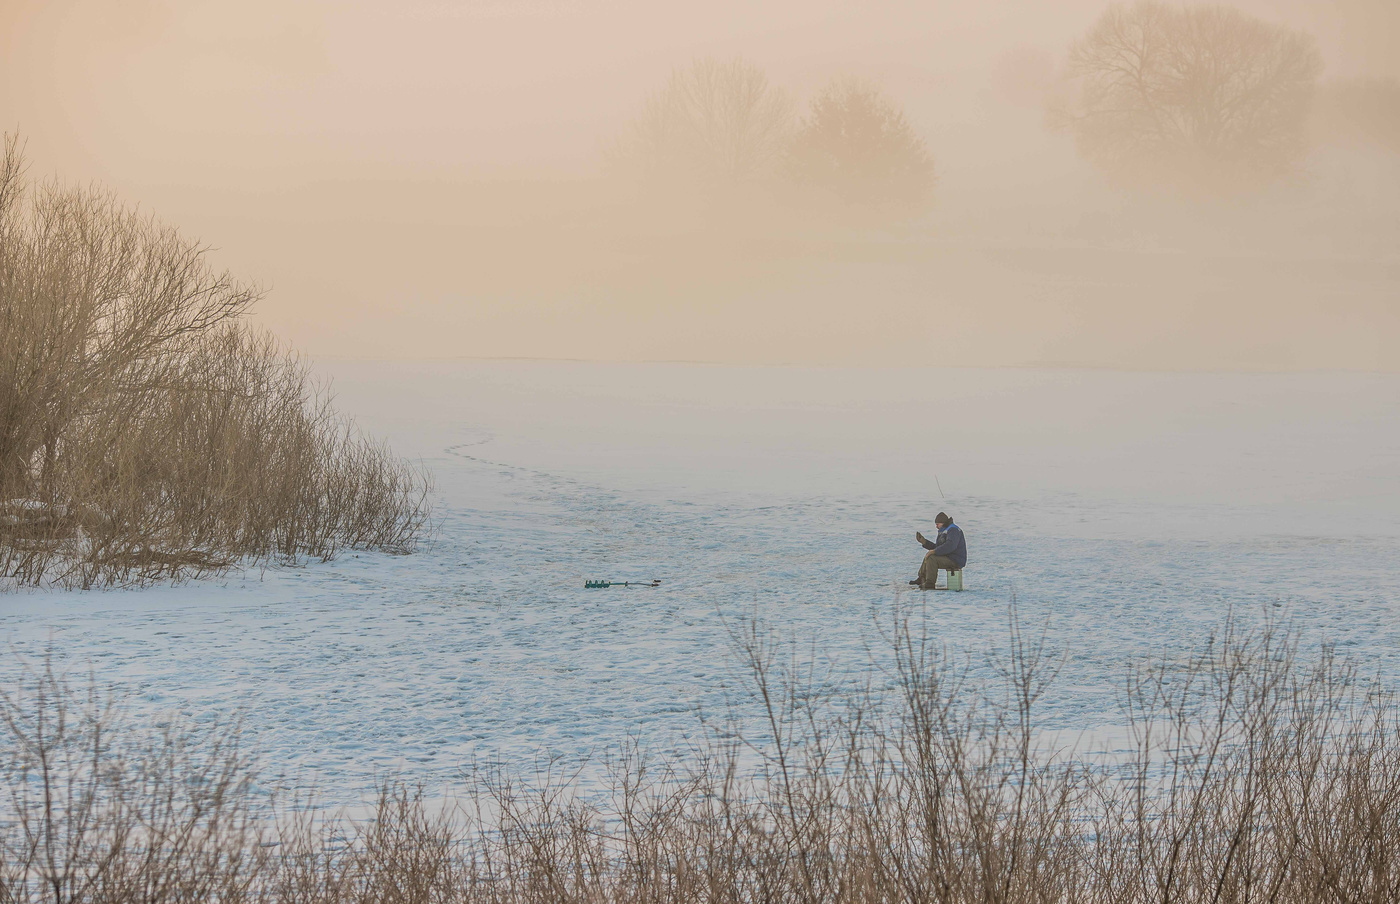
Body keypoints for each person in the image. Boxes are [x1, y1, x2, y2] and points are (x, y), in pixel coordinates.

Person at [909, 512, 966, 590]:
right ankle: (922, 578)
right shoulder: (945, 530)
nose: (936, 527)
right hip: (949, 556)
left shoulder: (953, 530)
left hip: (955, 559)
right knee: (929, 555)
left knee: (932, 557)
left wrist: (934, 551)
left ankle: (930, 583)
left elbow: (950, 546)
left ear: (943, 523)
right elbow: (939, 548)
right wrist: (924, 542)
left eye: (937, 524)